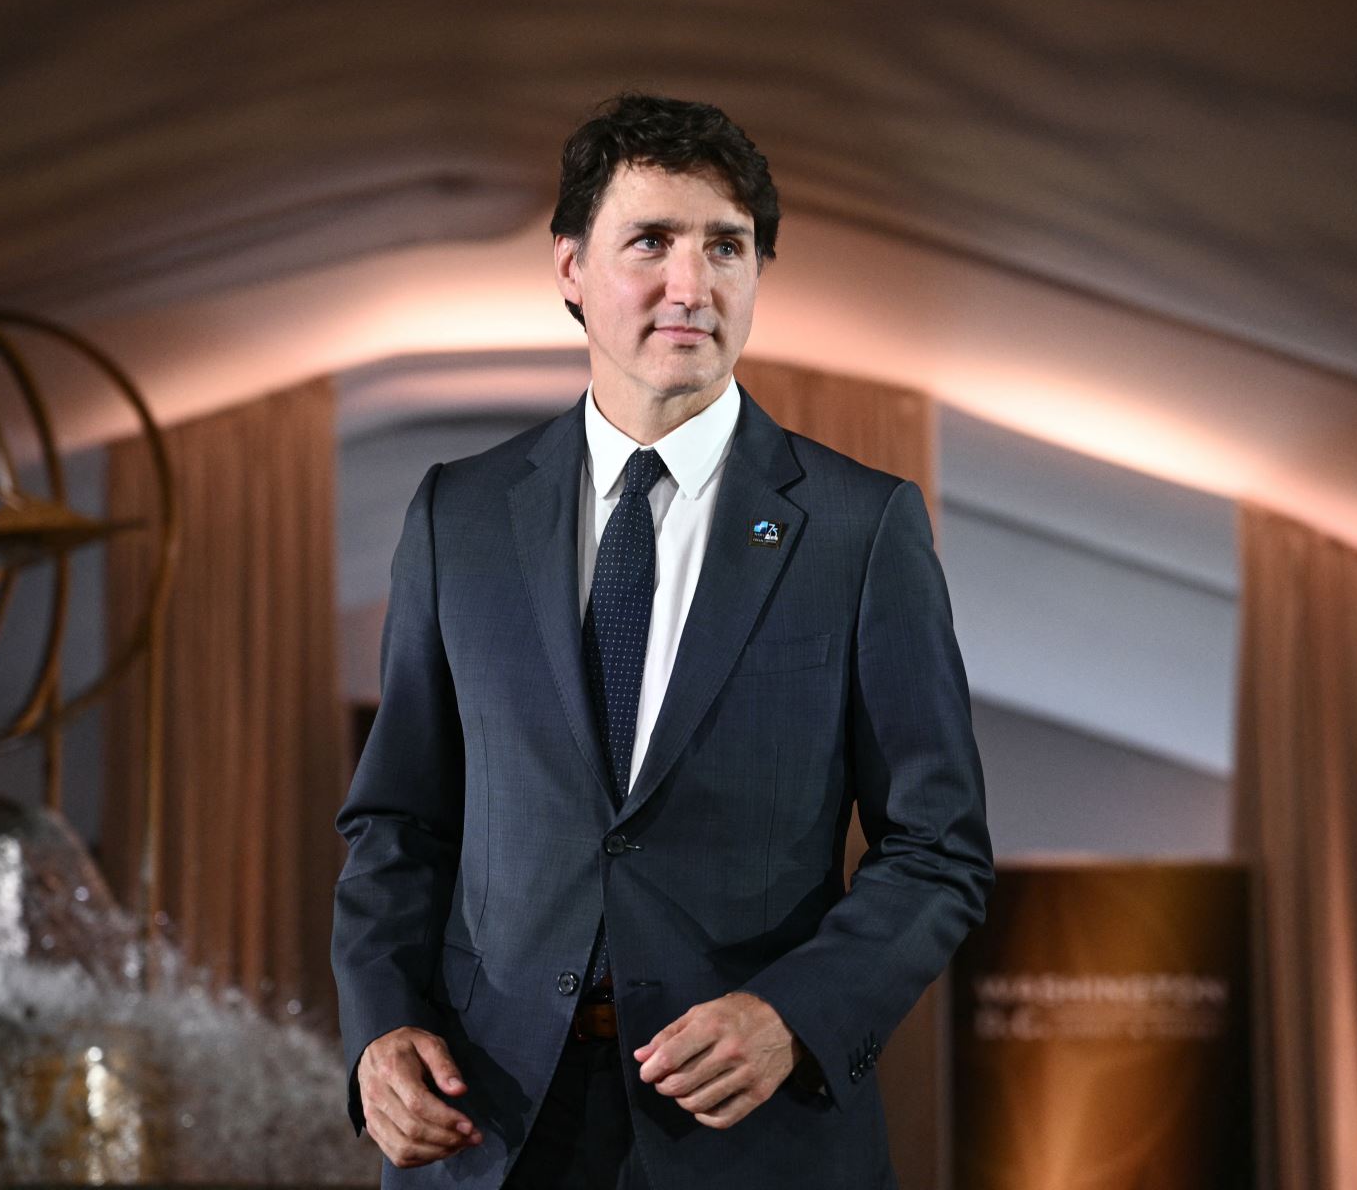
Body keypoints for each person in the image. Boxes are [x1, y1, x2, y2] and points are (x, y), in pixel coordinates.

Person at [331, 92, 993, 1189]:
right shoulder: (458, 516)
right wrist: (379, 1033)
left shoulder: (862, 529)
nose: (692, 285)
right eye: (651, 242)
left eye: (725, 247)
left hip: (750, 1135)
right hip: (489, 1129)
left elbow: (939, 850)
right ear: (569, 269)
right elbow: (399, 821)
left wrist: (793, 1015)